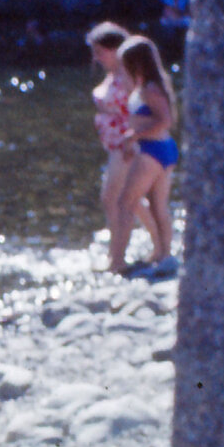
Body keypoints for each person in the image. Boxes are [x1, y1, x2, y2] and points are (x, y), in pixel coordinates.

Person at [87, 21, 157, 272]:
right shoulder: (113, 73)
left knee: (112, 198)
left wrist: (135, 138)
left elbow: (141, 108)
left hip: (126, 147)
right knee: (134, 200)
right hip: (115, 146)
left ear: (115, 48)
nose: (96, 57)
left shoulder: (128, 73)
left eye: (100, 51)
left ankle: (117, 258)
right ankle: (160, 246)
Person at [113, 35, 178, 279]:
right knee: (158, 205)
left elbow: (165, 121)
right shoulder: (153, 85)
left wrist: (133, 136)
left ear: (137, 63)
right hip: (161, 149)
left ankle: (117, 261)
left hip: (154, 151)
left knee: (125, 203)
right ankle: (163, 254)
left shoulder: (151, 88)